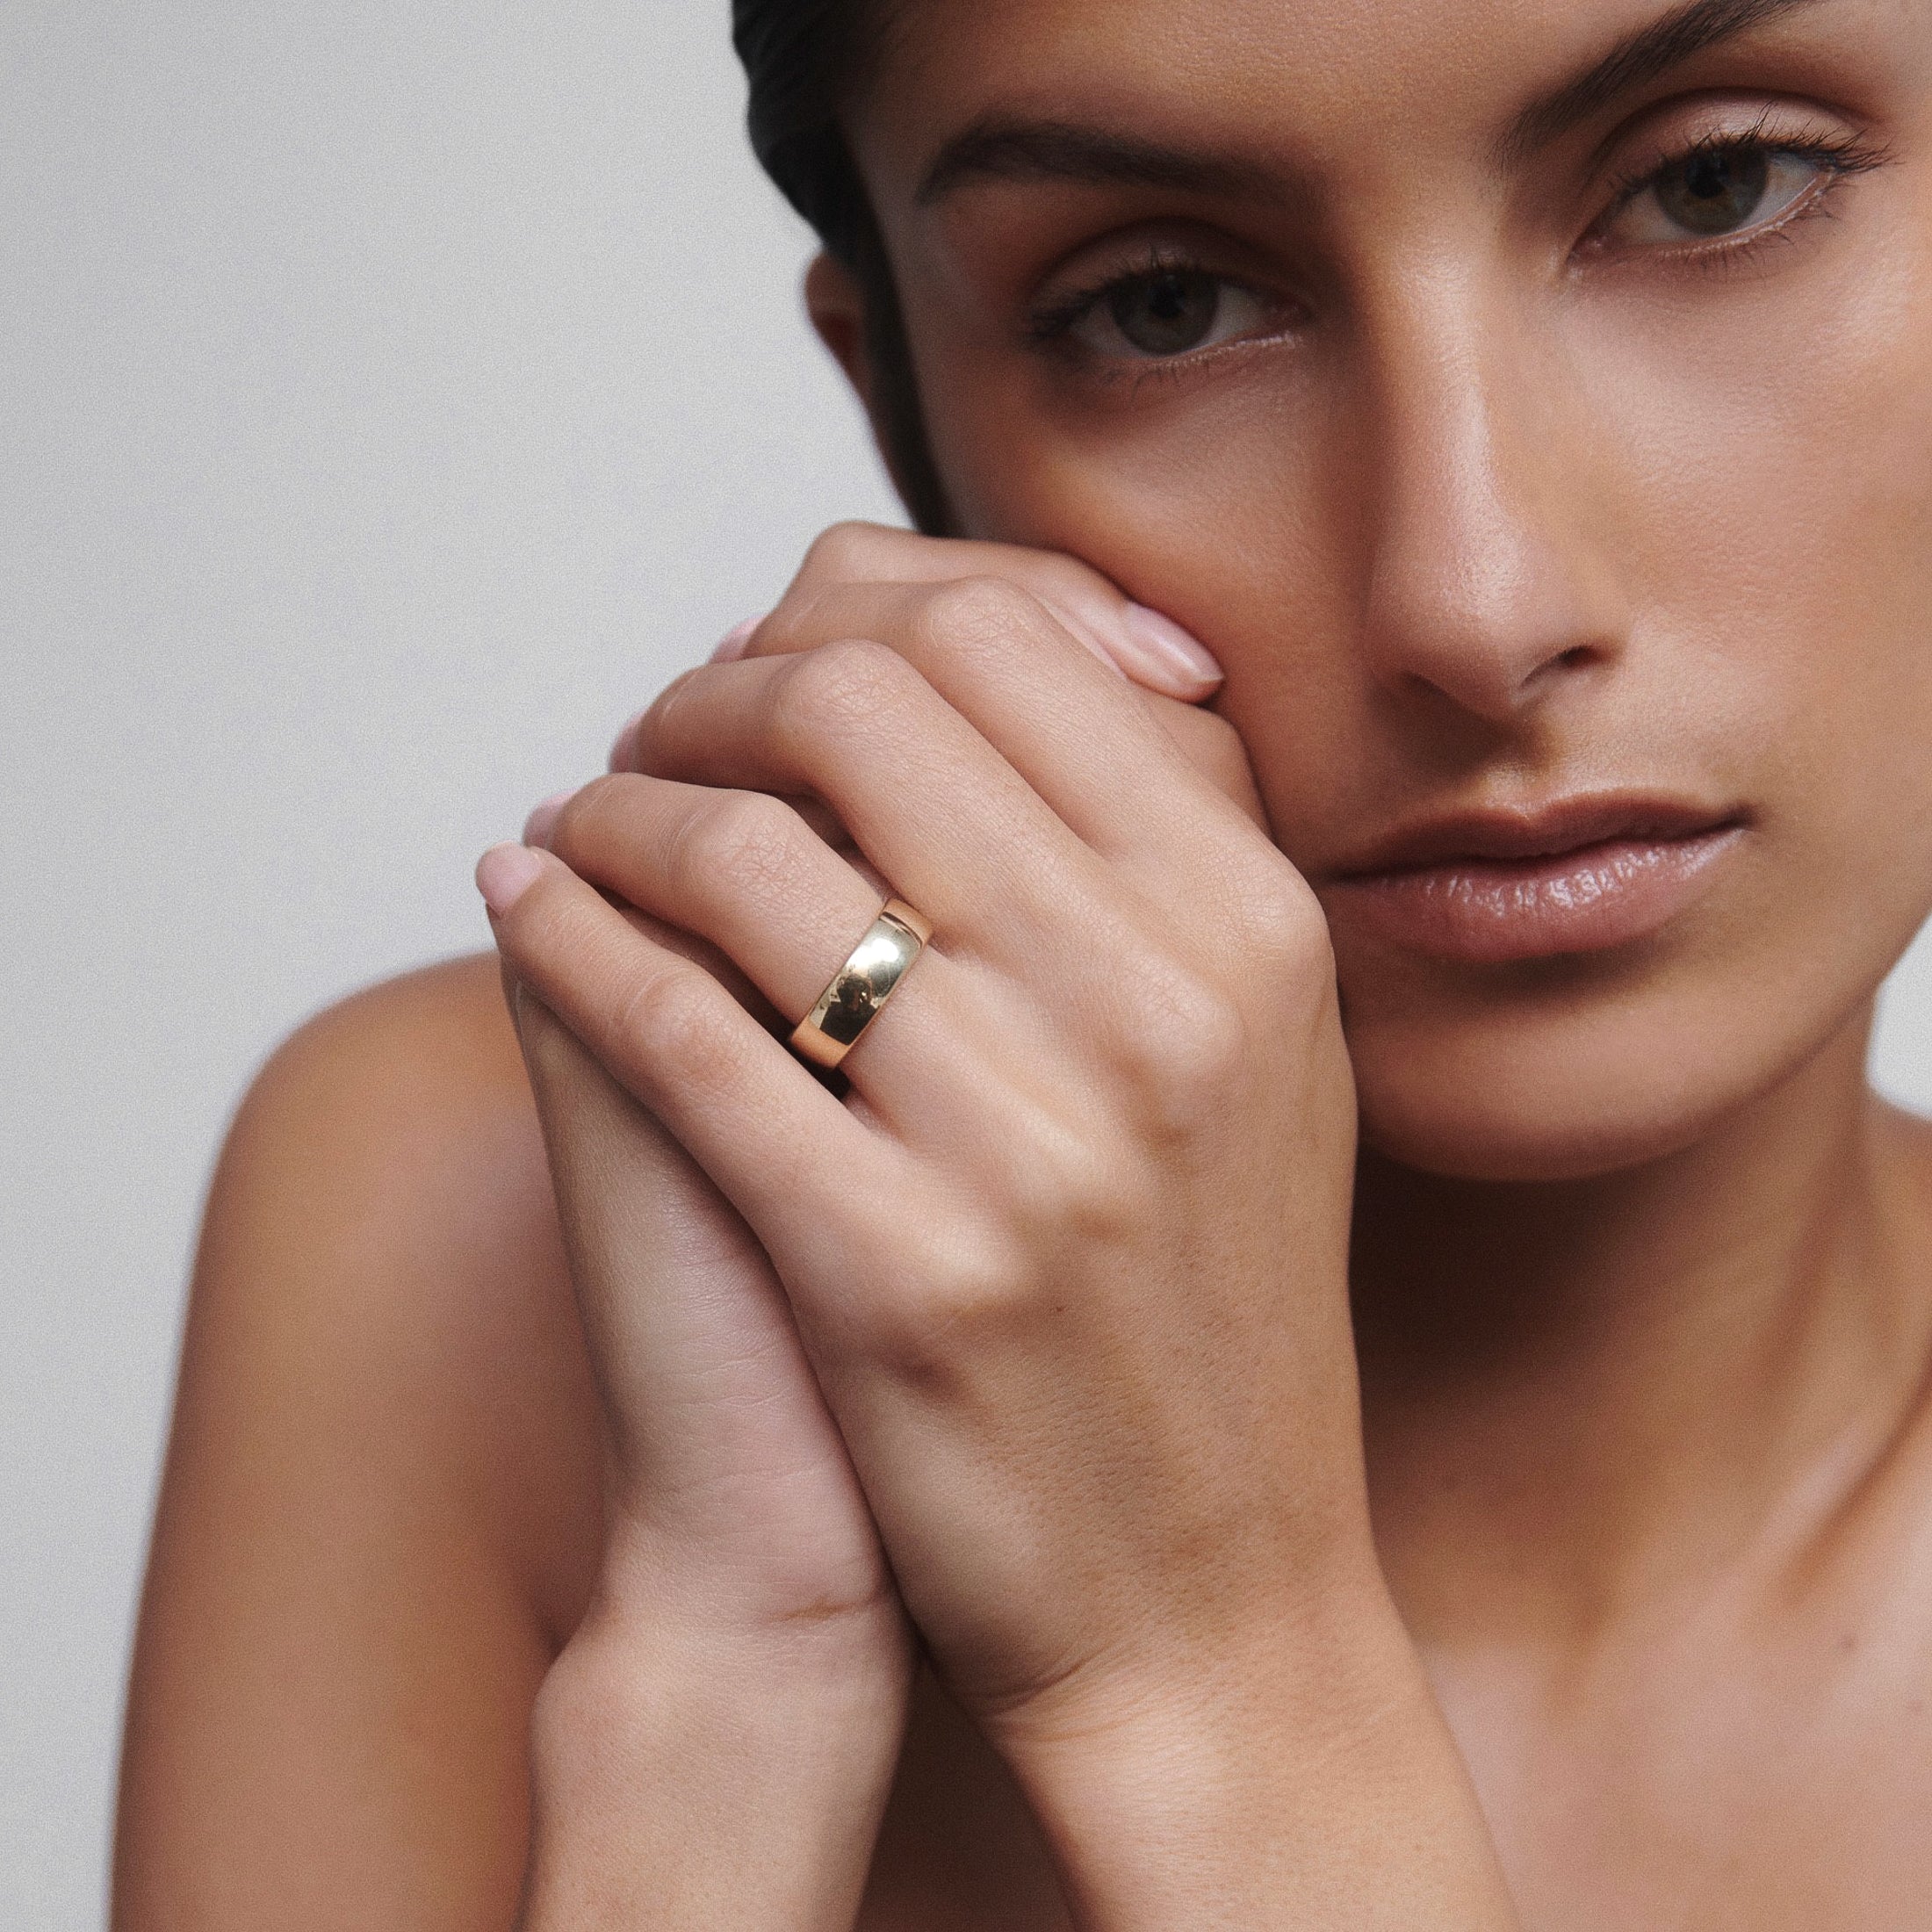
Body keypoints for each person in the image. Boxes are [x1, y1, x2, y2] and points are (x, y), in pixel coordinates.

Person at [112, 0, 1932, 1924]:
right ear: (900, 412)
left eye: (1713, 187)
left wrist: (1216, 1673)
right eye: (1162, 307)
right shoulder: (463, 1238)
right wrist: (728, 1687)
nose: (1474, 602)